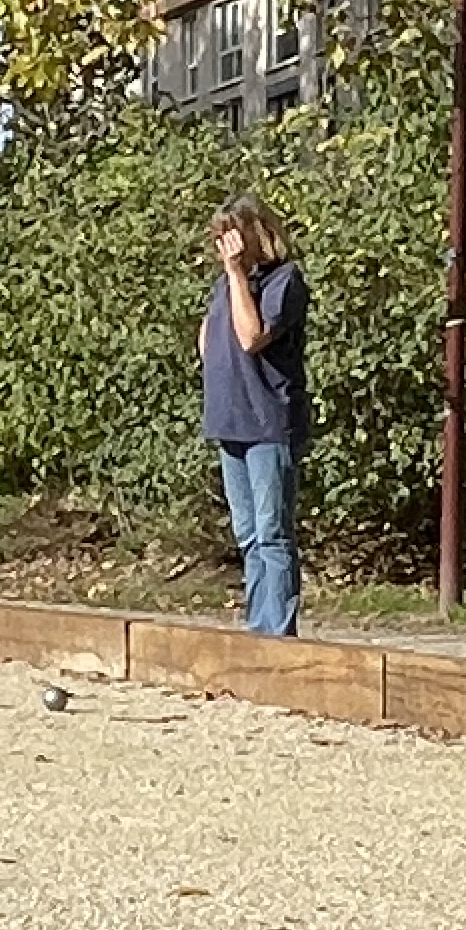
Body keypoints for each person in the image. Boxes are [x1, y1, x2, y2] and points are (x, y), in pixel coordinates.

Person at [202, 196, 310, 637]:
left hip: (269, 421)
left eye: (230, 233)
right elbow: (208, 345)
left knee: (272, 532)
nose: (222, 244)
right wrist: (229, 281)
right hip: (231, 420)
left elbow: (251, 337)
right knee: (247, 536)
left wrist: (235, 274)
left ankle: (277, 631)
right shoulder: (226, 287)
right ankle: (258, 627)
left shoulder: (284, 280)